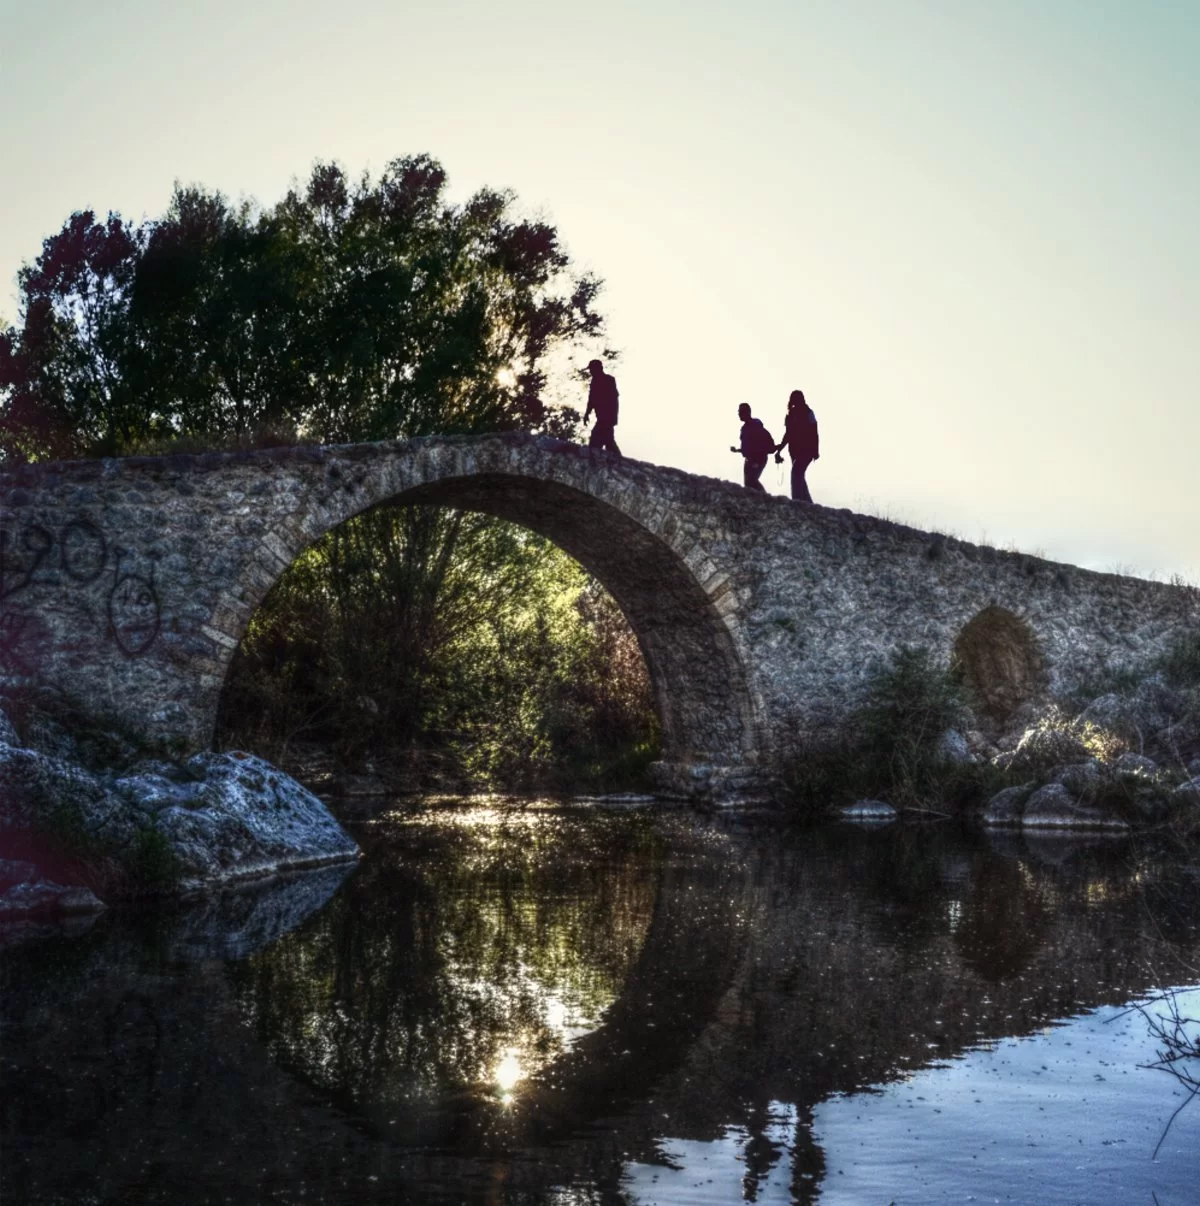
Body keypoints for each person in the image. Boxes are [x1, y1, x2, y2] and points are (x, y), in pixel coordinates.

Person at [774, 389, 819, 502]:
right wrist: (780, 449)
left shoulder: (808, 412)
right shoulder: (792, 415)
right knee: (799, 476)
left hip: (806, 451)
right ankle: (808, 504)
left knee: (796, 473)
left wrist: (815, 450)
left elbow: (814, 432)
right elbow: (788, 434)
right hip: (795, 451)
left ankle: (797, 502)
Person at [730, 403, 774, 492]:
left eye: (740, 412)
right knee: (749, 483)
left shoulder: (753, 427)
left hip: (756, 459)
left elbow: (756, 446)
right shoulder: (747, 427)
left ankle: (765, 498)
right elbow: (748, 447)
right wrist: (738, 450)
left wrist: (756, 461)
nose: (738, 414)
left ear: (747, 412)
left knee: (751, 481)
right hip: (750, 459)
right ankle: (762, 499)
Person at [583, 359, 621, 456]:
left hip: (607, 418)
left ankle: (620, 462)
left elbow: (614, 400)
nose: (591, 372)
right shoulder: (594, 382)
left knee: (598, 442)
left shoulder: (609, 380)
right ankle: (619, 462)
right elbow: (591, 400)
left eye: (592, 369)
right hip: (601, 417)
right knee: (608, 442)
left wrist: (612, 418)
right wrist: (587, 414)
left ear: (599, 369)